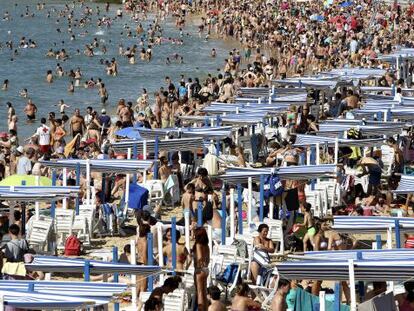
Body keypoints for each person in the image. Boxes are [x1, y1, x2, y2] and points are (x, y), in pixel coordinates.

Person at [192, 227, 210, 311]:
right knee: (204, 292)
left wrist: (199, 265)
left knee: (199, 292)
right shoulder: (206, 246)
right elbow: (208, 259)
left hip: (199, 270)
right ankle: (205, 309)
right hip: (206, 269)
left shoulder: (198, 245)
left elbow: (199, 257)